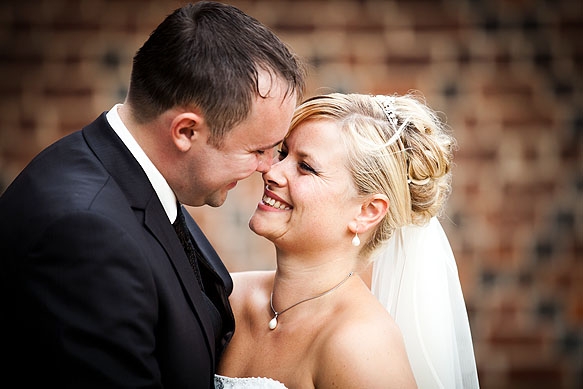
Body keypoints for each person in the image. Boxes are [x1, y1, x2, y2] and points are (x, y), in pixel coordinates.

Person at [0, 2, 305, 388]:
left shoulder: (131, 175)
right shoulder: (86, 235)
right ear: (186, 132)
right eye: (257, 150)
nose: (268, 167)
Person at [214, 92, 479, 388]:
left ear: (367, 212)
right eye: (283, 153)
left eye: (306, 167)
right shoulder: (226, 296)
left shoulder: (362, 347)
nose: (271, 172)